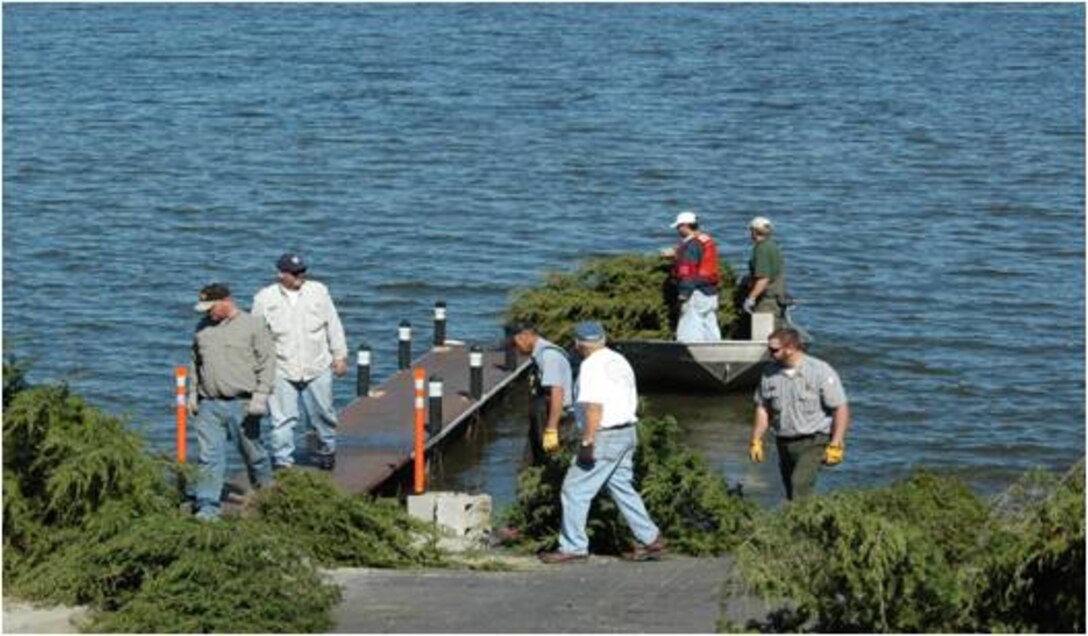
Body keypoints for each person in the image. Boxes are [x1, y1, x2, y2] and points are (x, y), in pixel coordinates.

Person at [540, 321, 666, 564]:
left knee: (574, 490)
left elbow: (594, 408)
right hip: (628, 431)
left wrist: (588, 442)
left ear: (578, 344)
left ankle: (574, 547)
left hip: (604, 435)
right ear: (603, 339)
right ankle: (651, 538)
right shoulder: (619, 360)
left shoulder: (591, 367)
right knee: (621, 487)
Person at [252, 252, 348, 471]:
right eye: (295, 273)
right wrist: (257, 368)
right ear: (281, 274)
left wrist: (339, 355)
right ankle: (283, 462)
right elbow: (257, 336)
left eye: (302, 272)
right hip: (281, 368)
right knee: (281, 420)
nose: (300, 276)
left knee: (323, 414)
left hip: (317, 365)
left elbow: (333, 324)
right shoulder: (264, 299)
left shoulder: (319, 291)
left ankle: (327, 450)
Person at [188, 283, 275, 520]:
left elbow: (268, 363)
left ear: (226, 301)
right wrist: (192, 395)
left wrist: (261, 396)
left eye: (211, 307)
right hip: (209, 405)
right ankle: (207, 507)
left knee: (254, 455)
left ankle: (269, 496)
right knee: (209, 457)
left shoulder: (253, 325)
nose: (208, 313)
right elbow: (196, 364)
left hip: (244, 404)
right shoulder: (202, 328)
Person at [749, 327, 851, 501]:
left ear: (790, 349)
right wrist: (756, 439)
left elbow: (840, 408)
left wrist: (836, 443)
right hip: (784, 442)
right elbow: (763, 408)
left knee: (800, 484)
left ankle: (802, 526)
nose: (769, 353)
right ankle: (801, 523)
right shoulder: (769, 373)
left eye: (774, 350)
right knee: (790, 490)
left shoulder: (820, 370)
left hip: (814, 441)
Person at [510, 322, 574, 465]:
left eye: (516, 343)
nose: (516, 349)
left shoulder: (549, 356)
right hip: (542, 416)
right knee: (530, 463)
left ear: (525, 336)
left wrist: (551, 429)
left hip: (557, 420)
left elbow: (557, 392)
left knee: (552, 463)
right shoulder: (539, 355)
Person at [663, 211, 721, 342]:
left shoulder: (691, 245)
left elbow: (688, 271)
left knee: (689, 330)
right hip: (711, 292)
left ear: (685, 226)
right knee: (710, 327)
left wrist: (684, 293)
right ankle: (715, 355)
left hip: (696, 292)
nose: (677, 230)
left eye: (678, 227)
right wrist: (677, 253)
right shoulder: (705, 239)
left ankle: (689, 356)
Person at [742, 216, 787, 326]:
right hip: (776, 298)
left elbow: (763, 278)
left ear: (754, 231)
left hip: (767, 301)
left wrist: (751, 298)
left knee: (764, 336)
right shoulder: (772, 245)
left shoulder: (762, 249)